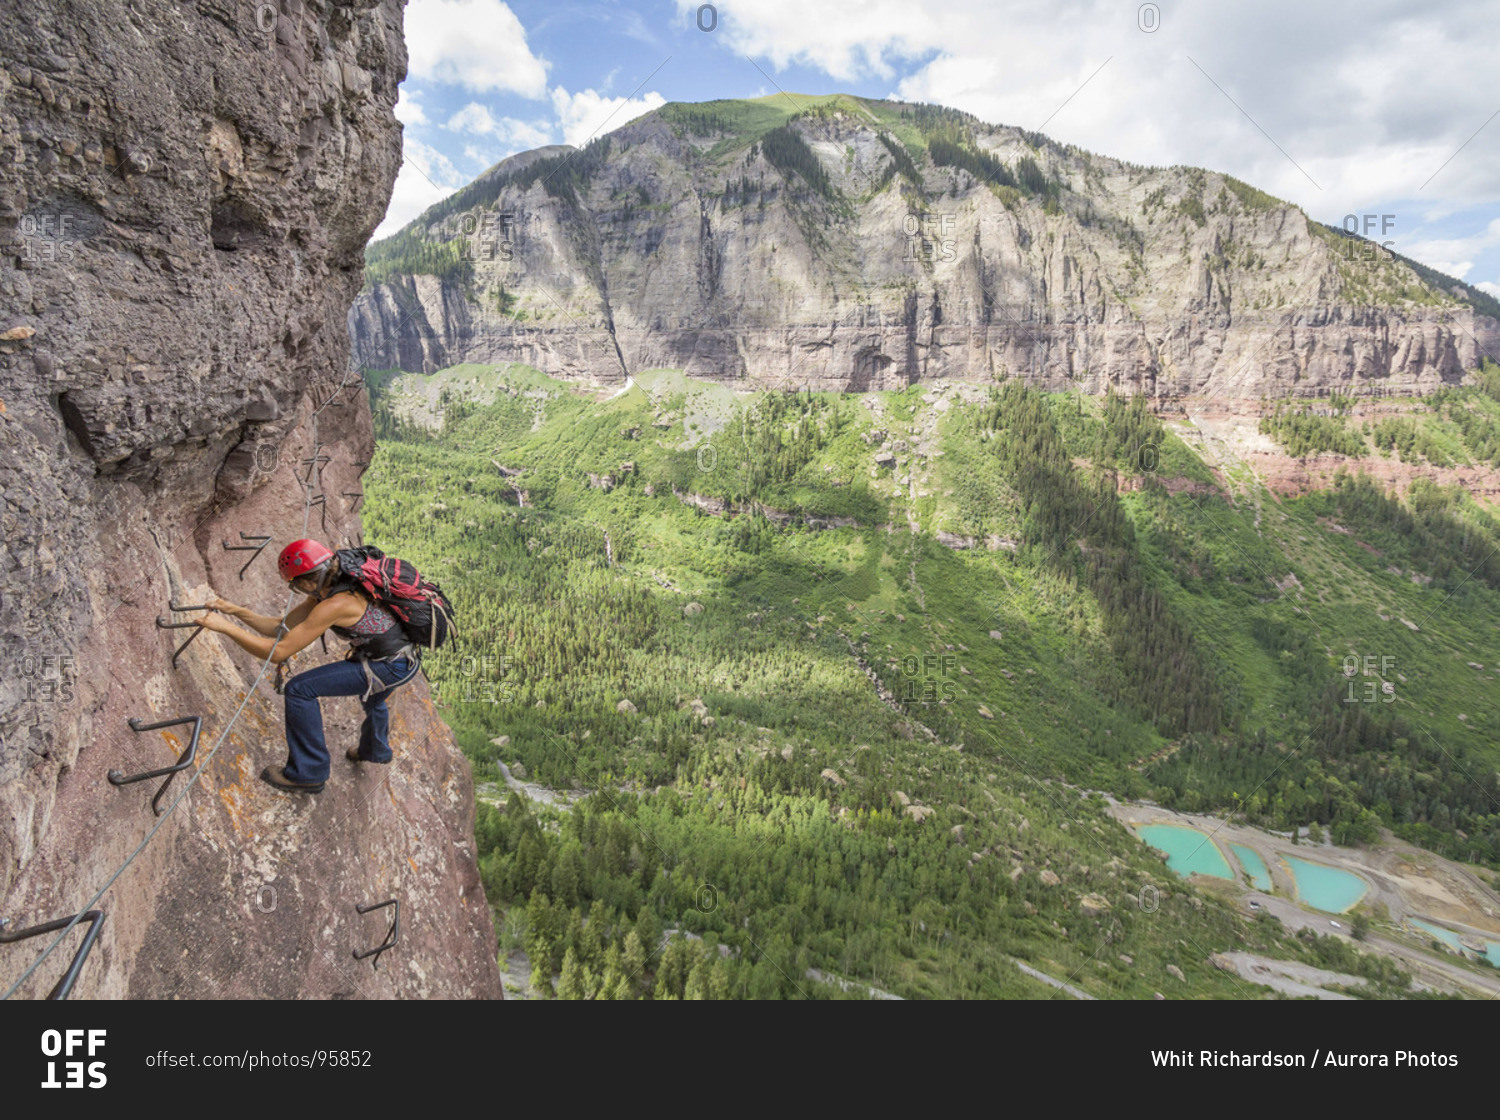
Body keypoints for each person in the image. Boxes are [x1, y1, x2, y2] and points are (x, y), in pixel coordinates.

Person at [196, 539, 421, 794]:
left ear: (306, 580)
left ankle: (308, 773)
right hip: (402, 658)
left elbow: (278, 651)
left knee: (300, 689)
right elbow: (280, 627)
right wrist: (234, 612)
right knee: (373, 701)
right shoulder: (334, 587)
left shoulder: (336, 603)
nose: (297, 590)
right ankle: (375, 750)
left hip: (388, 666)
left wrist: (224, 628)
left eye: (296, 585)